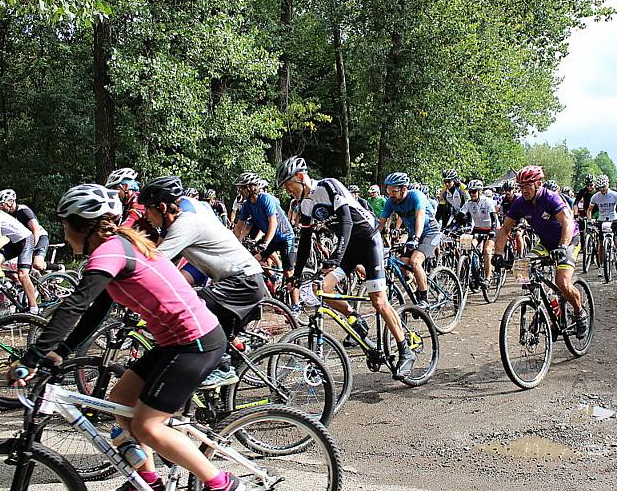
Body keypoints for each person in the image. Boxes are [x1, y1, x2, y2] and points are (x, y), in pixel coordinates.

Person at [7, 184, 244, 491]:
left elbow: (75, 305)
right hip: (177, 341)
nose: (64, 234)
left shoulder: (110, 252)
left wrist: (32, 357)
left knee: (147, 426)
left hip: (195, 343)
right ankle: (147, 481)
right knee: (120, 400)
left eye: (65, 226)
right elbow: (95, 312)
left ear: (82, 225)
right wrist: (61, 351)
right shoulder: (115, 249)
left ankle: (222, 484)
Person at [276, 156, 416, 379]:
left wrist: (334, 258)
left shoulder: (328, 186)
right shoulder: (304, 204)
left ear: (301, 178)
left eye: (288, 186)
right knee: (320, 289)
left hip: (369, 241)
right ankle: (354, 317)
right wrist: (296, 274)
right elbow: (304, 241)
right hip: (349, 247)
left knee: (378, 301)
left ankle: (405, 350)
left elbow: (346, 222)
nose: (287, 191)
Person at [139, 175, 267, 387]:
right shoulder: (177, 220)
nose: (146, 215)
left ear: (161, 207)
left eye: (147, 209)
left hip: (243, 281)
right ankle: (220, 400)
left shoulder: (185, 224)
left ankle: (223, 367)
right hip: (237, 280)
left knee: (193, 308)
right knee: (211, 334)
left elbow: (154, 262)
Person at [493, 166, 589, 338]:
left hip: (568, 241)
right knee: (523, 266)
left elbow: (567, 222)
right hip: (545, 243)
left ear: (538, 184)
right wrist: (498, 254)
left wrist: (562, 246)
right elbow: (505, 228)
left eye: (527, 186)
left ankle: (579, 312)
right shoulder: (520, 203)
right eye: (520, 186)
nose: (523, 190)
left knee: (562, 282)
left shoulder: (551, 198)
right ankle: (538, 303)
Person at [232, 173, 299, 308]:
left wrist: (266, 243)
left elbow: (273, 223)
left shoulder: (266, 199)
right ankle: (274, 277)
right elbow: (240, 226)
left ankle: (296, 304)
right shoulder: (247, 205)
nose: (240, 191)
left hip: (285, 237)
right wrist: (233, 242)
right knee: (253, 260)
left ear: (251, 188)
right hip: (272, 238)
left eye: (242, 188)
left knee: (289, 272)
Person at [379, 173, 442, 308]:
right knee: (402, 264)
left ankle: (424, 299)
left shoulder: (416, 196)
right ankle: (416, 286)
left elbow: (420, 217)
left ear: (403, 189)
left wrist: (416, 238)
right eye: (388, 190)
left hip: (430, 232)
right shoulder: (391, 201)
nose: (390, 194)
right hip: (414, 233)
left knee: (414, 261)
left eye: (393, 191)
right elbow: (381, 224)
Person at [0, 197, 39, 314]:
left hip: (26, 240)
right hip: (13, 243)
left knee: (22, 274)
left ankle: (34, 308)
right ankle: (7, 284)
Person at [0, 189, 52, 272]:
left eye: (2, 204)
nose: (0, 207)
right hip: (20, 240)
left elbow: (35, 229)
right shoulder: (5, 215)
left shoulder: (24, 210)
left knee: (37, 264)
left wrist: (32, 247)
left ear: (11, 202)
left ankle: (58, 268)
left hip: (39, 237)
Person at [455, 179, 498, 282]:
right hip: (478, 229)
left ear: (480, 191)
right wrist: (451, 229)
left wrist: (492, 230)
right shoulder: (469, 203)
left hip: (491, 228)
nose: (472, 194)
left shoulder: (487, 201)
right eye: (470, 192)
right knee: (468, 247)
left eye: (474, 191)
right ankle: (472, 271)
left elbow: (494, 218)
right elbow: (459, 217)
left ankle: (487, 278)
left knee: (487, 251)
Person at [587, 175, 617, 272]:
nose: (602, 190)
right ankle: (601, 267)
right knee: (601, 246)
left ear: (607, 185)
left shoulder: (615, 194)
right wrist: (590, 220)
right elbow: (589, 210)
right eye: (600, 188)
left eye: (604, 187)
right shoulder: (595, 196)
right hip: (602, 221)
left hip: (614, 220)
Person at [105, 167, 158, 242]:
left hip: (153, 247)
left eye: (115, 188)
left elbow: (130, 222)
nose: (113, 193)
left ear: (125, 187)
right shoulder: (127, 204)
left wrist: (115, 231)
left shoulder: (138, 201)